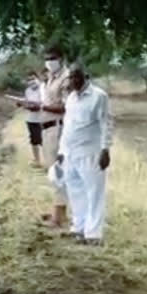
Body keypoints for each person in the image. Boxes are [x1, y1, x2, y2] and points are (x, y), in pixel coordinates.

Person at [57, 64, 112, 245]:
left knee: (94, 193)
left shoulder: (99, 96)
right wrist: (61, 151)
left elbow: (106, 124)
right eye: (70, 77)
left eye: (76, 76)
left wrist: (105, 150)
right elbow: (67, 126)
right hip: (71, 153)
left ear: (85, 77)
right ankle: (78, 228)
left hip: (91, 153)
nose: (72, 80)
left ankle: (94, 234)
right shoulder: (71, 97)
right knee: (75, 191)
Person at [23, 46, 70, 228]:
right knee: (55, 173)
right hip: (48, 129)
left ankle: (59, 218)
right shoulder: (51, 78)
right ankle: (58, 213)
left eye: (52, 58)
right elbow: (48, 102)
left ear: (61, 58)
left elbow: (66, 107)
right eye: (47, 59)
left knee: (58, 173)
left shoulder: (65, 79)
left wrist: (40, 108)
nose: (49, 62)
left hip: (57, 128)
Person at [24, 70, 43, 167]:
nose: (31, 81)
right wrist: (24, 105)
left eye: (33, 79)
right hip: (31, 118)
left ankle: (49, 160)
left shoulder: (43, 89)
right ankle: (37, 160)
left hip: (42, 119)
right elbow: (27, 102)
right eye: (29, 80)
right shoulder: (27, 91)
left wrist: (35, 106)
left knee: (44, 141)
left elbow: (44, 103)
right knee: (34, 140)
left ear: (37, 78)